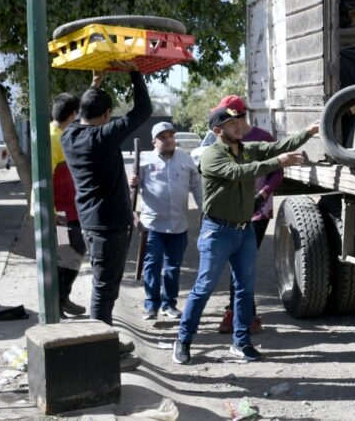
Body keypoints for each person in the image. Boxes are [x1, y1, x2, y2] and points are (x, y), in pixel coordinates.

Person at [172, 107, 318, 364]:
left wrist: (308, 132)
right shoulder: (211, 155)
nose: (239, 125)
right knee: (203, 288)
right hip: (218, 232)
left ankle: (241, 342)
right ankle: (183, 340)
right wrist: (278, 162)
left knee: (245, 290)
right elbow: (240, 172)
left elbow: (278, 146)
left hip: (244, 230)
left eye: (240, 120)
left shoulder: (246, 148)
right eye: (232, 123)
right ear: (218, 131)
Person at [61, 65, 151, 371]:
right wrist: (136, 73)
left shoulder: (69, 135)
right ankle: (99, 353)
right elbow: (143, 110)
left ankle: (104, 340)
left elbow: (86, 113)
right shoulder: (102, 136)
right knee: (104, 289)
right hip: (109, 226)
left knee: (104, 287)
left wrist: (94, 84)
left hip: (91, 223)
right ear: (107, 113)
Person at [213, 95, 283, 335]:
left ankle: (240, 314)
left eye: (229, 117)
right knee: (237, 264)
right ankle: (243, 313)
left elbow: (277, 172)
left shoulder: (262, 138)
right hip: (232, 212)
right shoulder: (224, 139)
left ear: (240, 117)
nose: (226, 122)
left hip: (257, 214)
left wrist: (263, 193)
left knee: (242, 264)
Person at [130, 122, 203, 320]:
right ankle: (151, 305)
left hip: (178, 224)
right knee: (152, 265)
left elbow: (196, 185)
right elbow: (132, 190)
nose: (169, 140)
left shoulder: (185, 159)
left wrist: (203, 209)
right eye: (163, 137)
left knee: (173, 267)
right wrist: (132, 183)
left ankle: (168, 304)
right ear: (154, 141)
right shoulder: (143, 160)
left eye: (171, 136)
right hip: (152, 225)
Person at [50, 93, 87, 317]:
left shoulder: (57, 132)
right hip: (59, 213)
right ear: (72, 114)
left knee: (70, 256)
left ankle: (62, 299)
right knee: (68, 257)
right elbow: (44, 177)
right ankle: (59, 301)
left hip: (67, 211)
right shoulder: (55, 138)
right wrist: (52, 211)